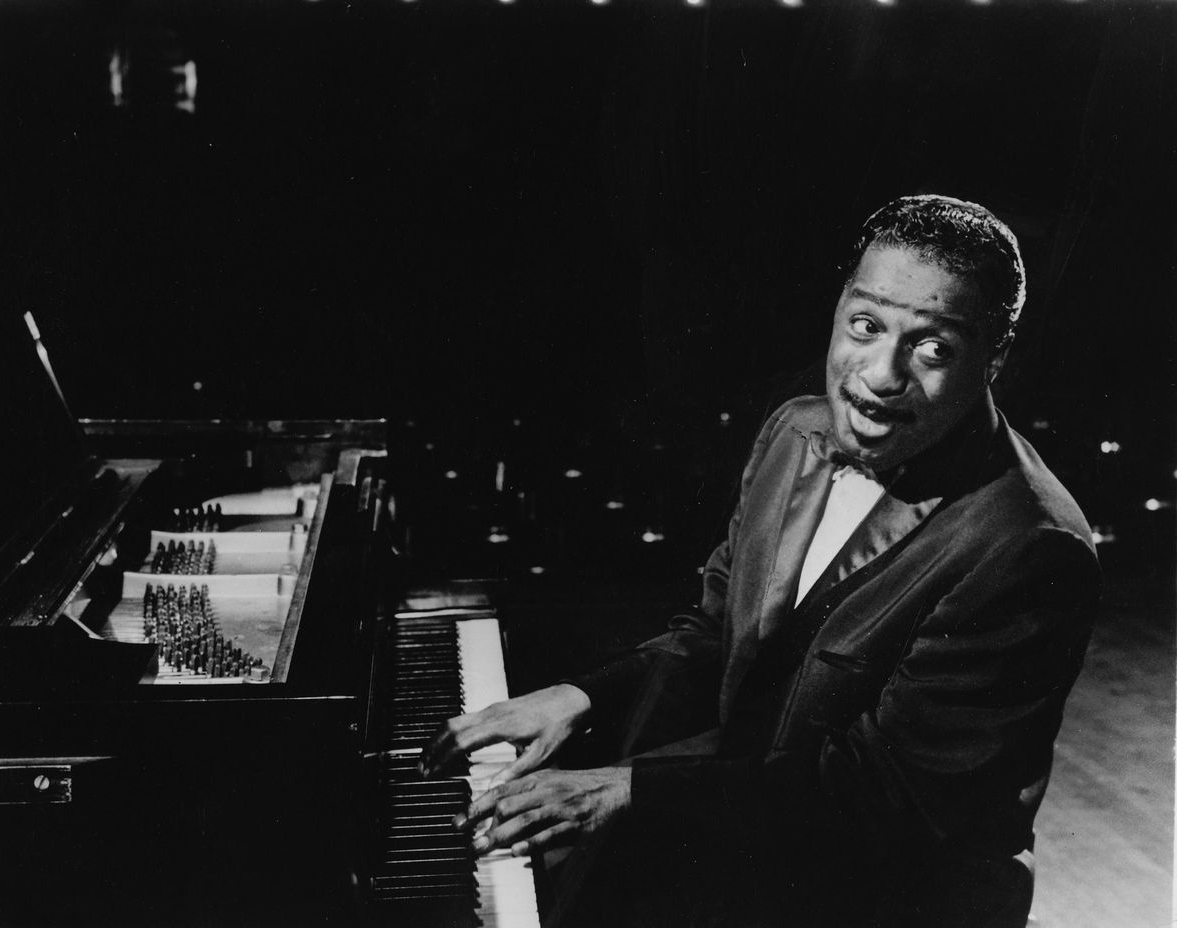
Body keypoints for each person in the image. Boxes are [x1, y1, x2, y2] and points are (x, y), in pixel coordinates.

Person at [420, 195, 1099, 928]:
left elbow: (889, 794)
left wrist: (628, 791)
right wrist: (583, 697)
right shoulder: (793, 432)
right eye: (865, 327)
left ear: (994, 358)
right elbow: (714, 632)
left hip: (890, 896)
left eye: (933, 348)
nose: (879, 375)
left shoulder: (1029, 545)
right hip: (753, 831)